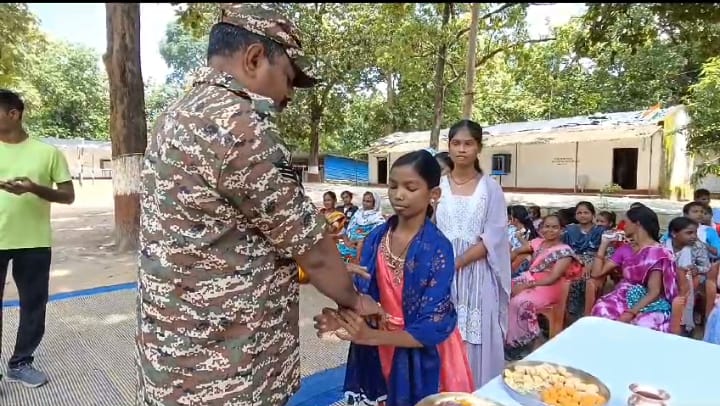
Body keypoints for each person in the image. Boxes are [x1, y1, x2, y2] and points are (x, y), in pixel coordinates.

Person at [135, 6, 381, 405]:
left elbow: (229, 234)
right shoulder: (241, 125)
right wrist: (354, 299)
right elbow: (315, 251)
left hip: (173, 355)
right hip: (227, 368)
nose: (287, 96)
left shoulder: (175, 115)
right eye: (287, 79)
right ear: (253, 58)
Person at [313, 150, 474, 405]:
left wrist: (369, 335)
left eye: (411, 187)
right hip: (378, 343)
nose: (398, 195)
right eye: (393, 186)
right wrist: (343, 320)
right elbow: (366, 297)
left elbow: (431, 327)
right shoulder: (377, 237)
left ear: (434, 194)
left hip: (418, 346)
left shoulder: (437, 248)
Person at [0, 90, 74, 388]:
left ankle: (20, 363)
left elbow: (68, 196)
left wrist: (34, 188)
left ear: (13, 114)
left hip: (34, 242)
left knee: (33, 306)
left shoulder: (48, 153)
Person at [434, 119, 510, 388]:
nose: (462, 149)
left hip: (478, 276)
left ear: (479, 147)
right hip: (439, 275)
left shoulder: (490, 189)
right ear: (449, 146)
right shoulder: (436, 187)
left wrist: (456, 263)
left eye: (468, 143)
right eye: (456, 143)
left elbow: (494, 237)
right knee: (441, 337)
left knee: (473, 339)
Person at [589, 206, 678, 332]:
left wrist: (631, 312)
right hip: (623, 295)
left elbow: (654, 291)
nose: (622, 226)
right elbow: (596, 274)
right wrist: (604, 244)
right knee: (602, 310)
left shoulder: (657, 252)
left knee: (642, 325)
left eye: (625, 222)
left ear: (637, 224)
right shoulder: (625, 249)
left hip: (649, 301)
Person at [505, 214, 582, 360]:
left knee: (520, 303)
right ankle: (508, 340)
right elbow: (519, 250)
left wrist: (525, 285)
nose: (550, 230)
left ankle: (529, 343)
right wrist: (515, 253)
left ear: (562, 230)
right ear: (541, 228)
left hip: (548, 286)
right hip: (529, 280)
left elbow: (553, 278)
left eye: (555, 227)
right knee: (500, 294)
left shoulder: (564, 251)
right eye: (547, 226)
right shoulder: (537, 243)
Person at [664, 217, 710, 335]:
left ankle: (685, 322)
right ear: (674, 233)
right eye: (689, 233)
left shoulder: (698, 246)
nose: (694, 236)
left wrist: (697, 269)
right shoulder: (663, 247)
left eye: (695, 232)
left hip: (691, 279)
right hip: (668, 278)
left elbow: (706, 267)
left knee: (689, 284)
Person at [563, 201, 605, 321]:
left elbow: (607, 251)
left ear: (593, 215)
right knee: (567, 276)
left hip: (595, 261)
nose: (582, 215)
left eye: (586, 212)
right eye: (579, 213)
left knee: (585, 277)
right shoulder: (569, 230)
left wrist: (591, 262)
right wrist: (579, 260)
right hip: (573, 259)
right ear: (575, 215)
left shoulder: (601, 231)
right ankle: (569, 313)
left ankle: (584, 314)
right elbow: (564, 249)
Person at [337, 191, 385, 263]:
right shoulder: (358, 213)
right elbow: (350, 227)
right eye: (364, 200)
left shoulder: (378, 218)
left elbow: (375, 235)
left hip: (363, 245)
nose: (365, 203)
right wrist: (350, 239)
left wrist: (358, 240)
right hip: (350, 241)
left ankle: (357, 260)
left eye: (368, 201)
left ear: (375, 203)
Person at [508, 205, 538, 278]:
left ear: (515, 219)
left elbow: (529, 247)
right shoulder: (510, 229)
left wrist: (519, 237)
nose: (508, 218)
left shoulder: (528, 231)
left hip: (522, 262)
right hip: (510, 261)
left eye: (510, 216)